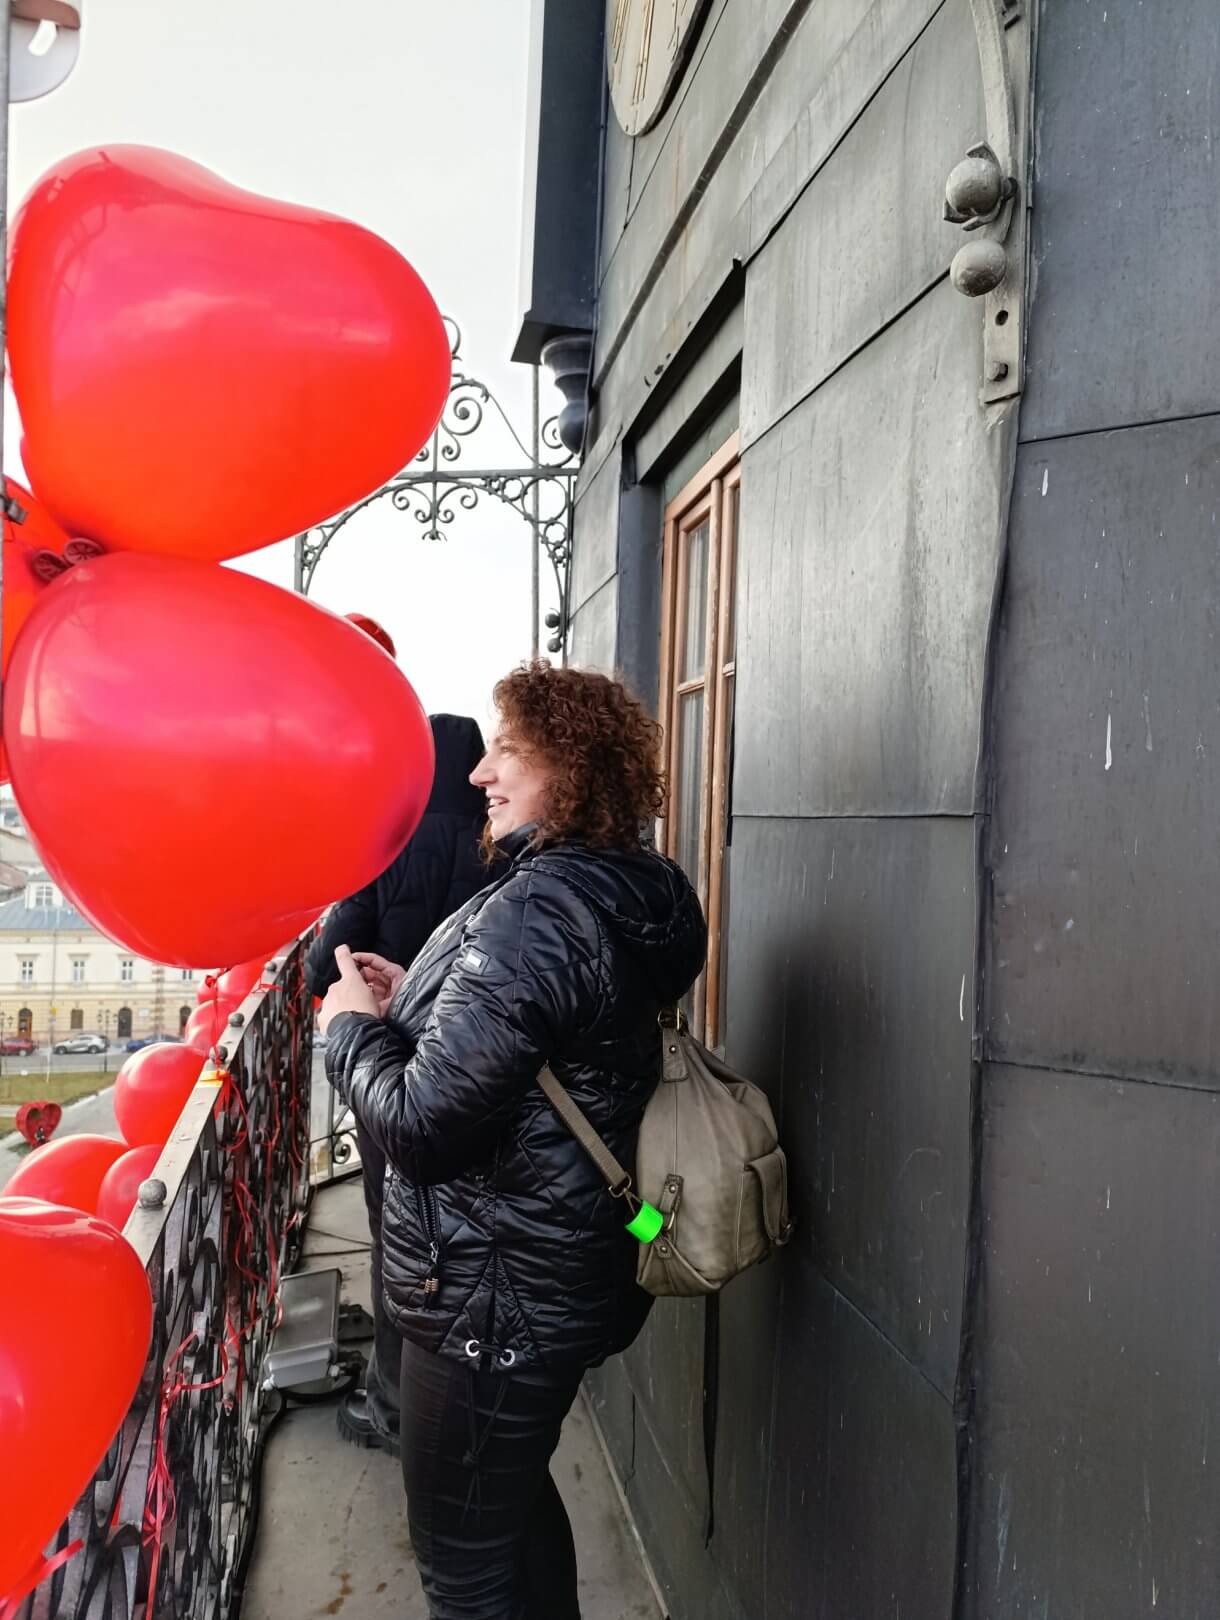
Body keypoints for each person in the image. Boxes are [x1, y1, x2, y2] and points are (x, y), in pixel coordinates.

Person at [319, 661, 706, 1620]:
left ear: (568, 772)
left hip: (492, 1301)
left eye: (507, 754)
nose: (480, 775)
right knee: (513, 1509)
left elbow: (418, 1127)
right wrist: (420, 994)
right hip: (552, 1272)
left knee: (465, 1570)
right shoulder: (625, 883)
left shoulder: (541, 908)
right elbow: (550, 1043)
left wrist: (349, 1030)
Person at [307, 712, 488, 1456]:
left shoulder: (386, 846)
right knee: (469, 1242)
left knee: (399, 1243)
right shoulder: (505, 851)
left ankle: (393, 1403)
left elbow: (324, 967)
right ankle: (466, 1389)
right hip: (479, 1075)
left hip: (392, 1078)